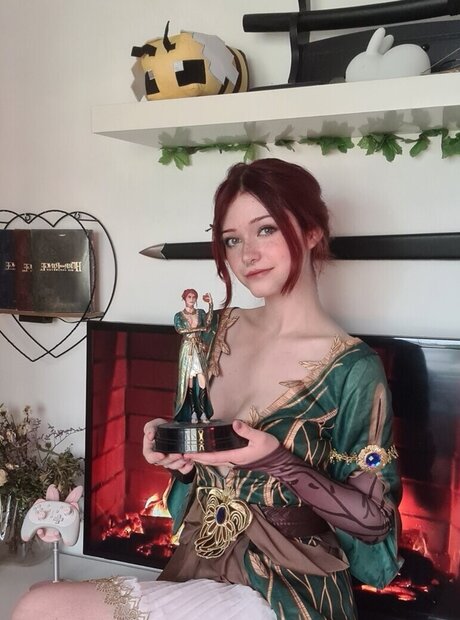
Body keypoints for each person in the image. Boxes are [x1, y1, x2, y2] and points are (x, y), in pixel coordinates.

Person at [12, 158, 402, 620]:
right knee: (39, 602)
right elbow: (195, 450)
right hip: (203, 560)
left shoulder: (353, 369)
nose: (247, 254)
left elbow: (374, 521)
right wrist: (175, 457)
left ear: (312, 231)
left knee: (41, 606)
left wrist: (277, 461)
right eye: (232, 239)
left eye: (266, 229)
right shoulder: (211, 332)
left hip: (289, 585)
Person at [174, 289, 214, 423]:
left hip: (198, 348)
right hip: (187, 349)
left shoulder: (200, 313)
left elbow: (208, 323)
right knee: (189, 381)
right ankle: (192, 412)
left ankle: (202, 411)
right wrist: (199, 329)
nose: (192, 299)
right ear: (184, 298)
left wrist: (211, 305)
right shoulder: (179, 316)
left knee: (202, 380)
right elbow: (180, 330)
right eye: (189, 297)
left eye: (194, 297)